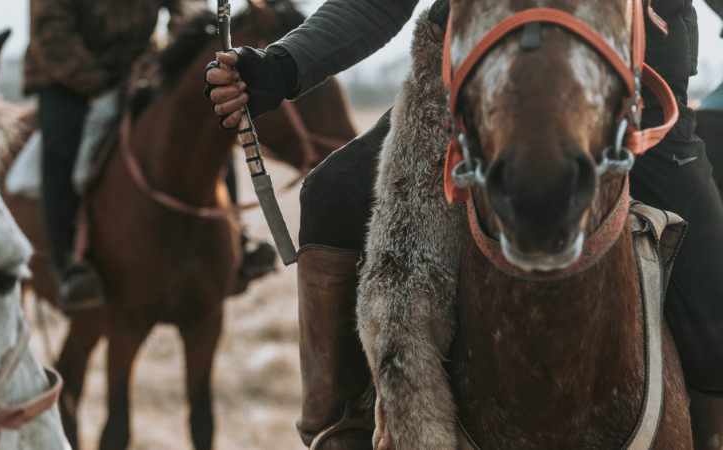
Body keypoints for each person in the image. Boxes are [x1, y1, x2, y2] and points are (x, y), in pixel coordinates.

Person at [206, 0, 723, 448]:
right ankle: (337, 426)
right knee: (332, 194)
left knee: (714, 278)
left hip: (641, 106)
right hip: (469, 99)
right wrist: (284, 65)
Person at [24, 0, 275, 313]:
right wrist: (104, 84)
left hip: (138, 71)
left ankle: (237, 237)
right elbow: (53, 38)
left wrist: (173, 55)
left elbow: (186, 11)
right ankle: (67, 265)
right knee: (61, 147)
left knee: (205, 127)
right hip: (64, 78)